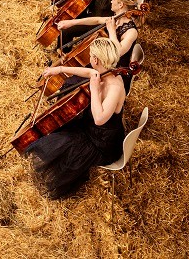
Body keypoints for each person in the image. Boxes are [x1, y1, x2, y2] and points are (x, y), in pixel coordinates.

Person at [26, 37, 126, 199]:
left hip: (102, 142)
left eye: (91, 56)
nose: (90, 59)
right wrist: (59, 70)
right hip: (95, 131)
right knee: (65, 124)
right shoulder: (106, 70)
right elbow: (90, 73)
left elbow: (99, 119)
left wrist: (94, 91)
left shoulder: (114, 87)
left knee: (64, 142)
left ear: (96, 59)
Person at [56, 0, 140, 92]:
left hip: (113, 72)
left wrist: (112, 31)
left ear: (120, 5)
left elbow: (118, 53)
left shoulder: (131, 31)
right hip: (102, 62)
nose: (111, 1)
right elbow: (96, 20)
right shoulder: (116, 18)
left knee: (70, 83)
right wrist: (71, 22)